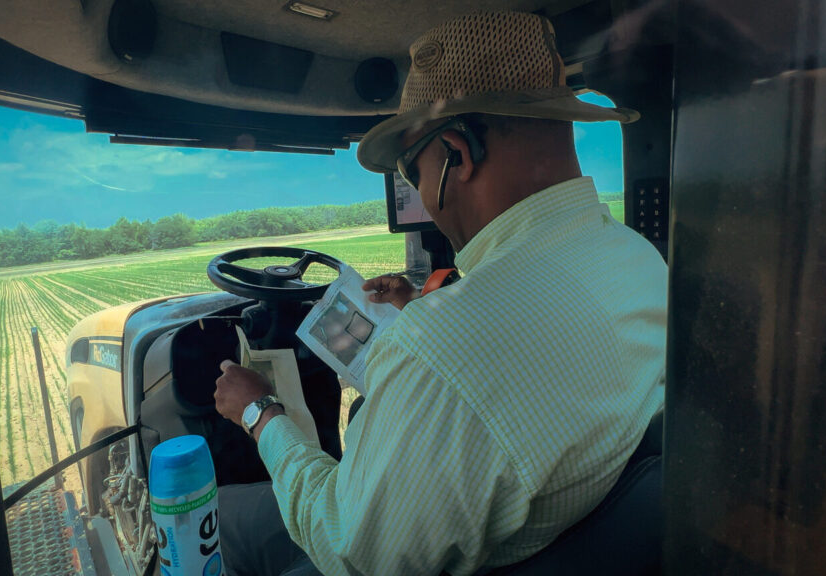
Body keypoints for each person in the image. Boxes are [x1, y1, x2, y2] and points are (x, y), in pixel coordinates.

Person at [213, 11, 667, 576]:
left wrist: (260, 412)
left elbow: (346, 544)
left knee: (223, 512)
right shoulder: (637, 258)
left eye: (414, 171)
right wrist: (425, 311)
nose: (424, 196)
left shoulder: (446, 347)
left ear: (457, 152)